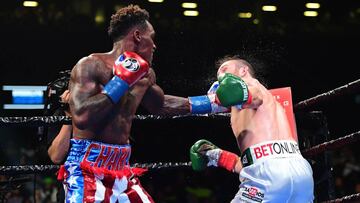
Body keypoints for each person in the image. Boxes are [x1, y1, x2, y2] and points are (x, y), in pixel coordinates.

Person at [60, 4, 192, 202]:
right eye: (152, 37)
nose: (155, 46)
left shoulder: (146, 74)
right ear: (138, 36)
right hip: (87, 170)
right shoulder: (90, 65)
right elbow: (81, 116)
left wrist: (211, 102)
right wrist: (121, 82)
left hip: (122, 170)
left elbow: (161, 105)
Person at [189, 55, 314, 202]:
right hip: (300, 172)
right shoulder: (262, 107)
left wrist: (240, 92)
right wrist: (218, 156)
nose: (220, 77)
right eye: (218, 76)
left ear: (243, 71)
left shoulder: (253, 87)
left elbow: (255, 96)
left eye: (224, 70)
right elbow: (259, 160)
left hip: (269, 174)